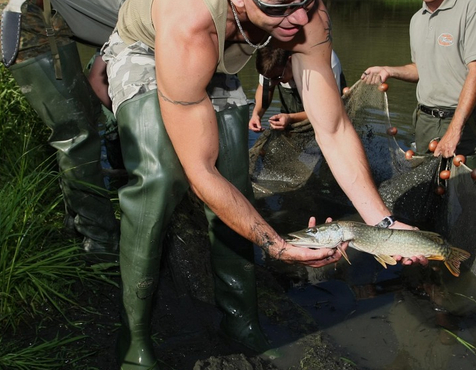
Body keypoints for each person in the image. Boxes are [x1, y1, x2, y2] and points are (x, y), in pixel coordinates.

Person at [101, 0, 427, 368]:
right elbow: (201, 169)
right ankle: (134, 336)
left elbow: (332, 127)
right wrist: (276, 246)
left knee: (236, 176)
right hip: (152, 45)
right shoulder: (188, 18)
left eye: (304, 1)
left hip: (225, 49)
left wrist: (382, 223)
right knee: (161, 175)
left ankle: (240, 319)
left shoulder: (308, 16)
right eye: (282, 6)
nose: (300, 17)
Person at [0, 0, 123, 252]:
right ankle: (100, 240)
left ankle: (78, 222)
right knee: (75, 134)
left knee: (83, 120)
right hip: (24, 17)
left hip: (40, 15)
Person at [361, 0, 476, 175]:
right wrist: (388, 70)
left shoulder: (472, 7)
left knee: (468, 195)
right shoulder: (417, 19)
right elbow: (420, 68)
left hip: (465, 122)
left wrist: (454, 130)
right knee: (427, 190)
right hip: (425, 121)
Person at [249, 47, 346, 132]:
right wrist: (256, 114)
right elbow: (265, 90)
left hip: (328, 121)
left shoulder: (323, 62)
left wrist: (290, 118)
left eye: (278, 78)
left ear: (290, 61)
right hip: (291, 120)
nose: (273, 83)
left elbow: (327, 113)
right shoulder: (270, 66)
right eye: (269, 79)